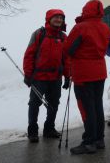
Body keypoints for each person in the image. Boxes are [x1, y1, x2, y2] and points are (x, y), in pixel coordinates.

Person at [64, 0, 110, 154]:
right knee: (97, 105)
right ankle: (99, 139)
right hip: (100, 71)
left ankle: (89, 141)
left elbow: (68, 49)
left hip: (84, 72)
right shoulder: (105, 27)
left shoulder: (81, 28)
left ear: (86, 11)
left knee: (87, 108)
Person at [23, 9, 70, 143]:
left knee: (54, 104)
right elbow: (29, 55)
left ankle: (49, 129)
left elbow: (67, 59)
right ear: (49, 18)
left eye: (61, 18)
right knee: (34, 104)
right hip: (39, 77)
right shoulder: (39, 34)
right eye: (56, 17)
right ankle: (32, 131)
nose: (59, 20)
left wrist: (67, 76)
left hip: (55, 78)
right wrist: (28, 74)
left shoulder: (63, 37)